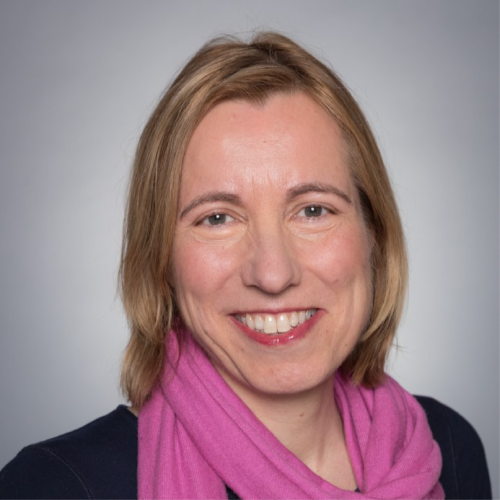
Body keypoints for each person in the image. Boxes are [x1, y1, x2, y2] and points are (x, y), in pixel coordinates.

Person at [0, 32, 492, 500]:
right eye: (217, 218)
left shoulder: (446, 448)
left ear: (373, 236)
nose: (273, 275)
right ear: (161, 258)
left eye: (313, 210)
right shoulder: (55, 487)